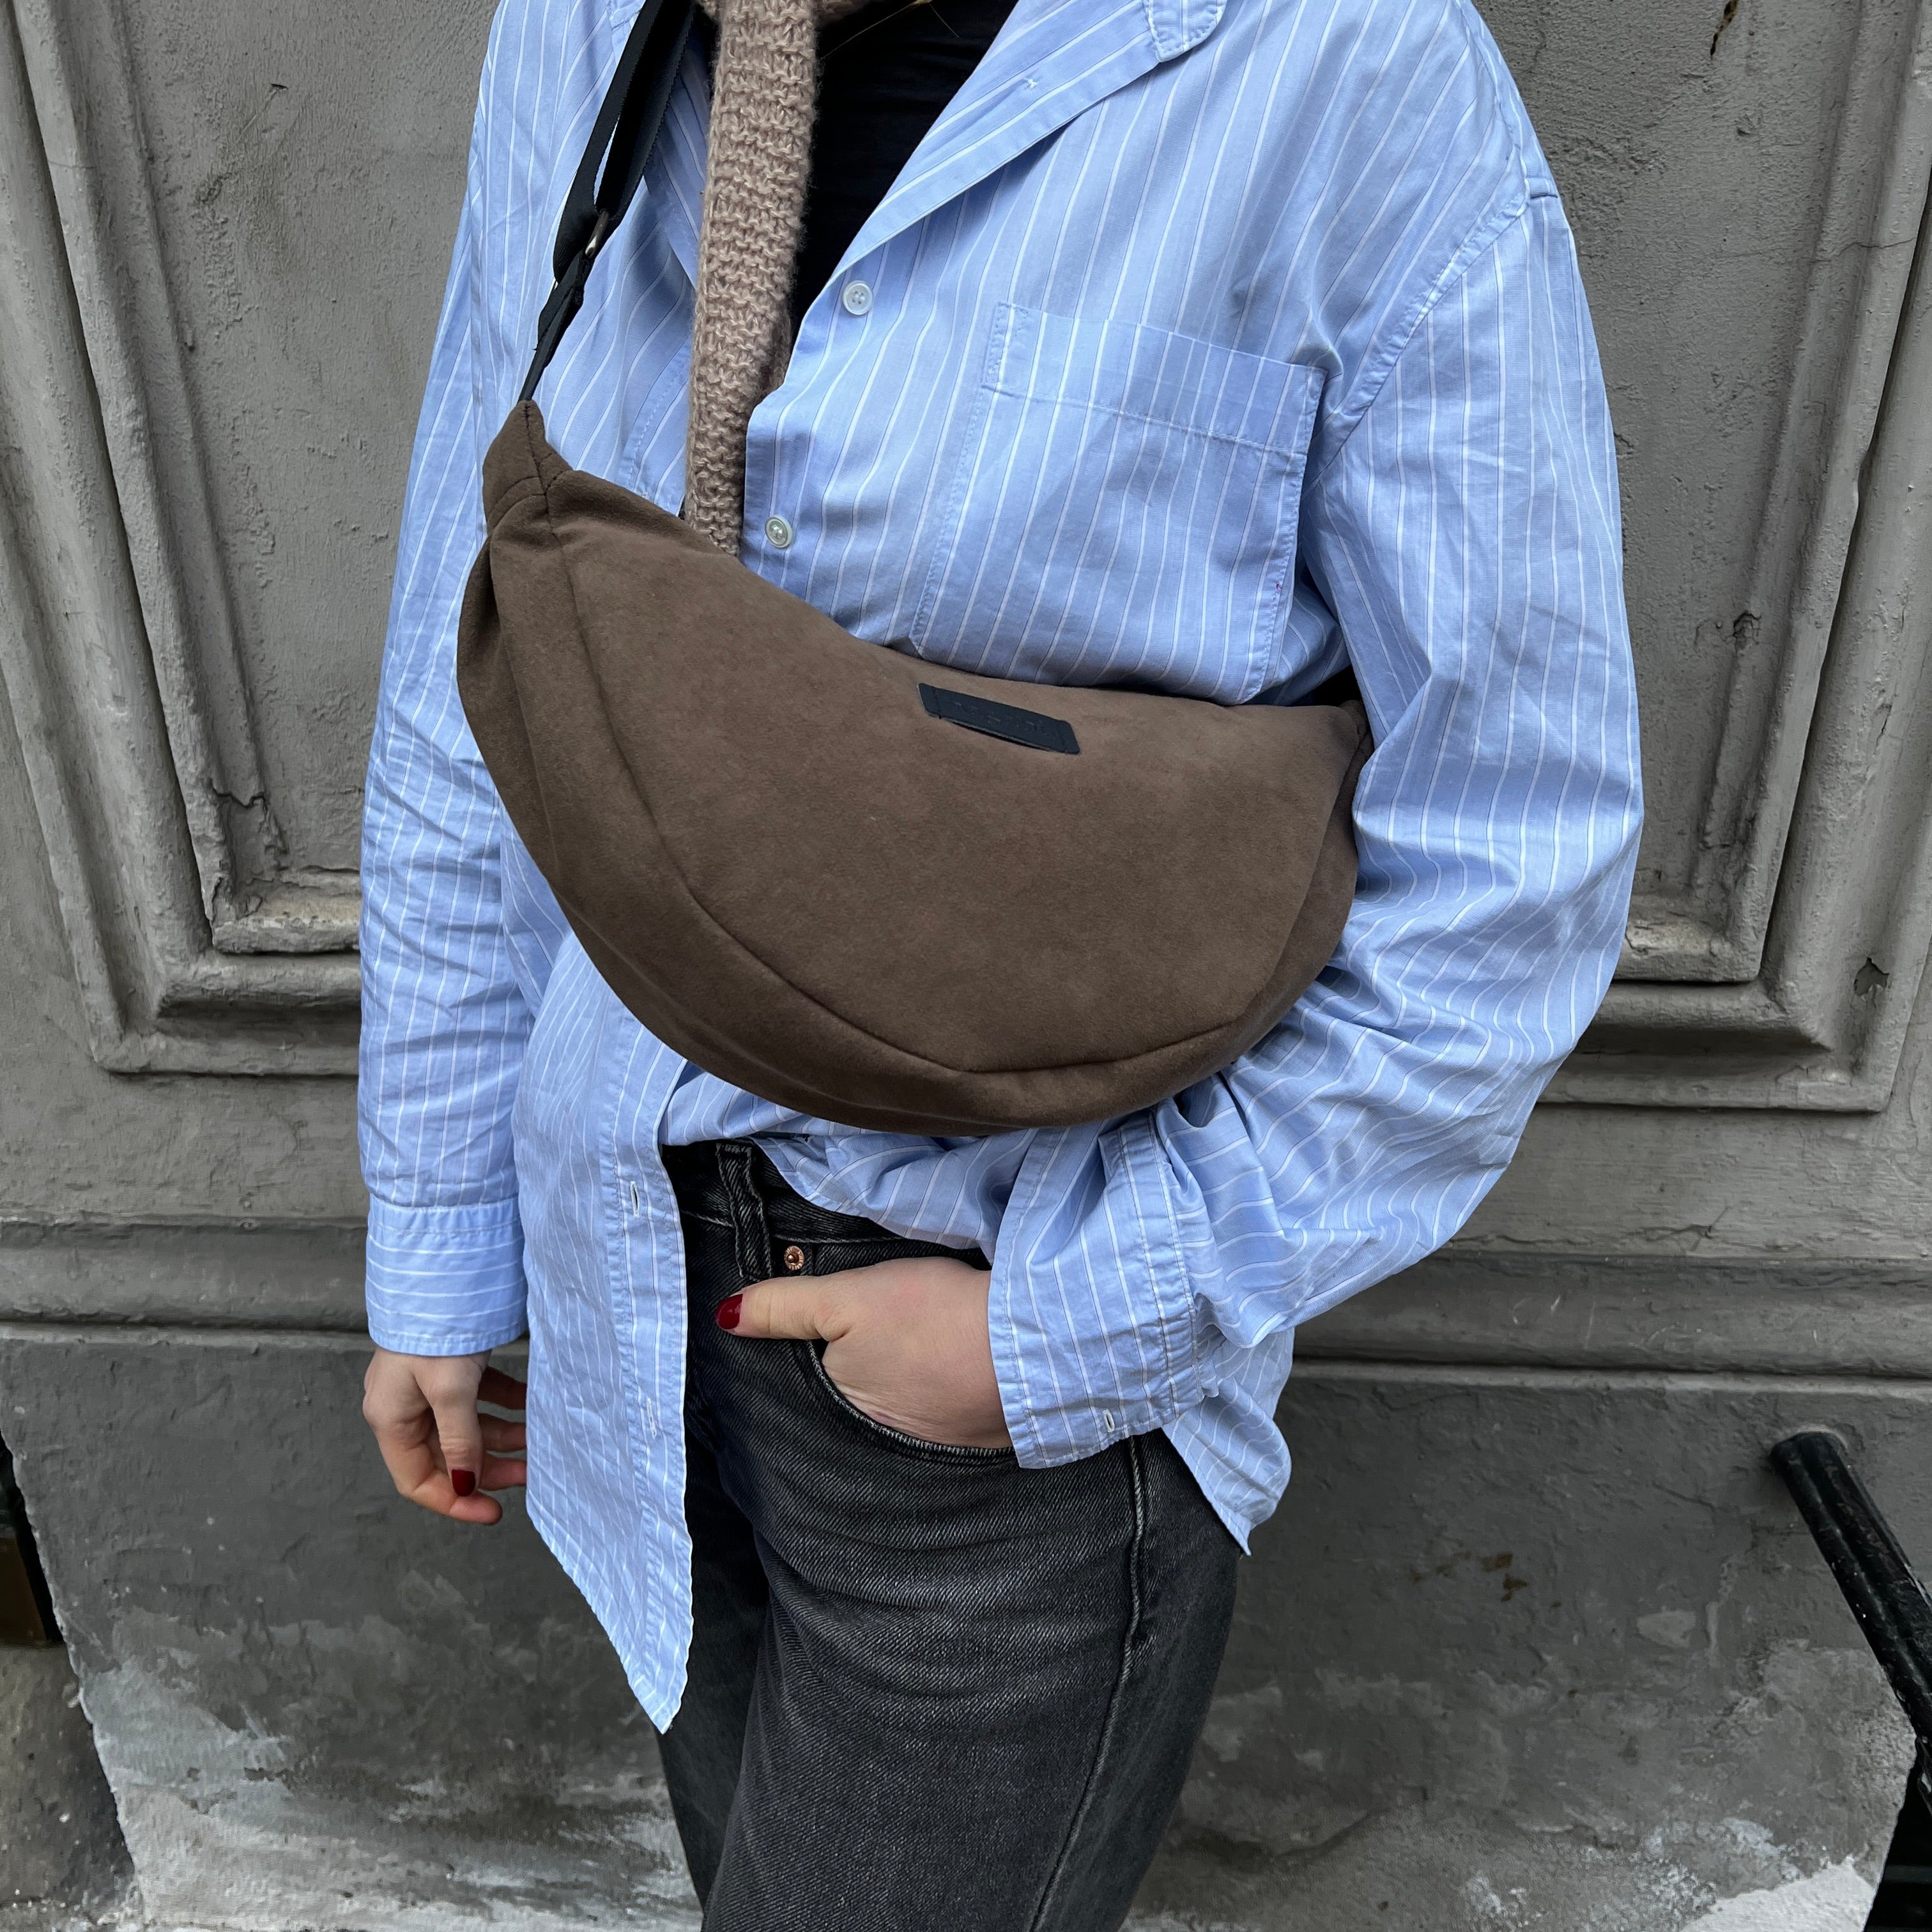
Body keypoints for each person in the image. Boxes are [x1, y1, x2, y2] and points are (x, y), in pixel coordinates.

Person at [356, 0, 1643, 1920]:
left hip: (999, 1384)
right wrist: (445, 1224)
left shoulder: (1343, 63)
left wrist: (1060, 1333)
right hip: (622, 1303)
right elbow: (482, 630)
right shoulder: (596, 23)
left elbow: (1518, 843)